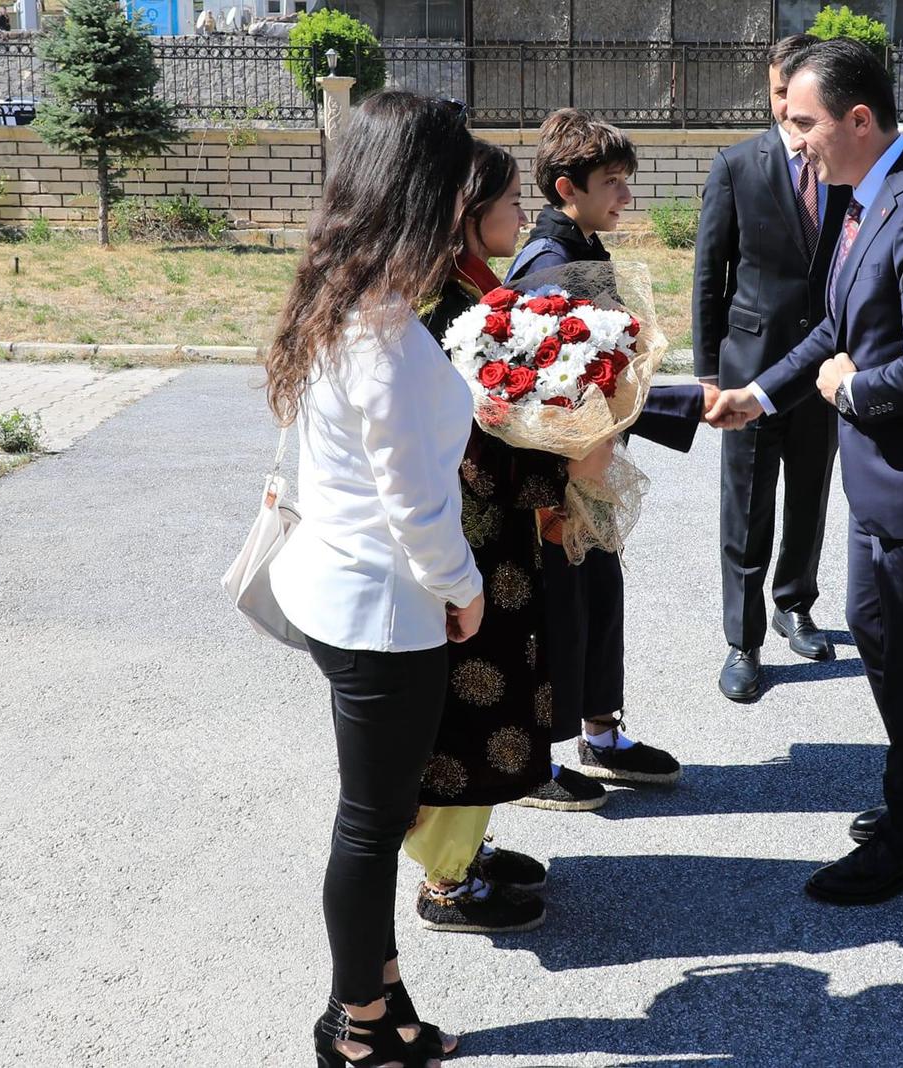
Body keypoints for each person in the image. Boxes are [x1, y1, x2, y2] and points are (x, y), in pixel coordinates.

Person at [708, 40, 903, 906]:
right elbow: (834, 327)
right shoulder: (862, 196)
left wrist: (849, 392)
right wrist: (761, 396)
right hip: (889, 479)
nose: (793, 135)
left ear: (859, 119)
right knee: (889, 634)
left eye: (804, 121)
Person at [265, 90, 479, 1067]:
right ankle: (356, 1025)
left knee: (376, 812)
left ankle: (378, 994)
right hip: (381, 613)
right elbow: (414, 507)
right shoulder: (384, 336)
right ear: (420, 194)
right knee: (370, 824)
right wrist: (463, 588)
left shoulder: (340, 298)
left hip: (335, 592)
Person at [405, 139, 612, 933]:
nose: (523, 214)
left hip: (501, 544)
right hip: (472, 548)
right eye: (508, 200)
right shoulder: (445, 305)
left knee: (499, 699)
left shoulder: (472, 287)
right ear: (467, 214)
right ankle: (445, 881)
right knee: (471, 707)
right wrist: (558, 462)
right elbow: (467, 445)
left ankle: (467, 848)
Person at [504, 109, 714, 813]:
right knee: (555, 613)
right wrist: (691, 404)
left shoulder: (582, 249)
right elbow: (561, 391)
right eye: (613, 182)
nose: (627, 196)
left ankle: (602, 733)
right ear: (568, 187)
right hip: (557, 478)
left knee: (598, 597)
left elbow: (610, 375)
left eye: (627, 180)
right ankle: (533, 759)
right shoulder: (548, 265)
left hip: (588, 468)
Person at [692, 32, 850, 703]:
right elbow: (709, 275)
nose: (789, 106)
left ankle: (795, 604)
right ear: (771, 86)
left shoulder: (842, 166)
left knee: (810, 495)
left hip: (823, 368)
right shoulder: (736, 166)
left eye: (802, 94)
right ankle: (744, 639)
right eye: (781, 90)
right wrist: (707, 373)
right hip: (749, 364)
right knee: (748, 506)